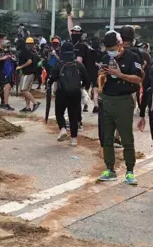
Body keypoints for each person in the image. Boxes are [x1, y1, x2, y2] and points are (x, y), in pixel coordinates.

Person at [97, 30, 142, 186]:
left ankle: (130, 171)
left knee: (126, 138)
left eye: (113, 47)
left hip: (124, 101)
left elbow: (138, 79)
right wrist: (102, 75)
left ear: (120, 44)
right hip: (107, 101)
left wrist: (120, 74)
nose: (111, 51)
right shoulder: (105, 58)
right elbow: (100, 79)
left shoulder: (132, 57)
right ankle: (110, 169)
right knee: (107, 138)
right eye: (108, 48)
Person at [49, 41, 88, 148]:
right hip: (76, 93)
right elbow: (86, 79)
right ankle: (74, 140)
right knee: (73, 116)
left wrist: (50, 84)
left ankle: (62, 129)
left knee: (59, 112)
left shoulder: (58, 64)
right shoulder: (79, 65)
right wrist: (81, 87)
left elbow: (52, 78)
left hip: (62, 92)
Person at [16, 36, 41, 113]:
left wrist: (20, 67)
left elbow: (29, 61)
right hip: (30, 72)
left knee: (23, 90)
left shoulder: (25, 51)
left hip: (27, 73)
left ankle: (35, 103)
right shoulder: (28, 51)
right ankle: (27, 107)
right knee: (27, 90)